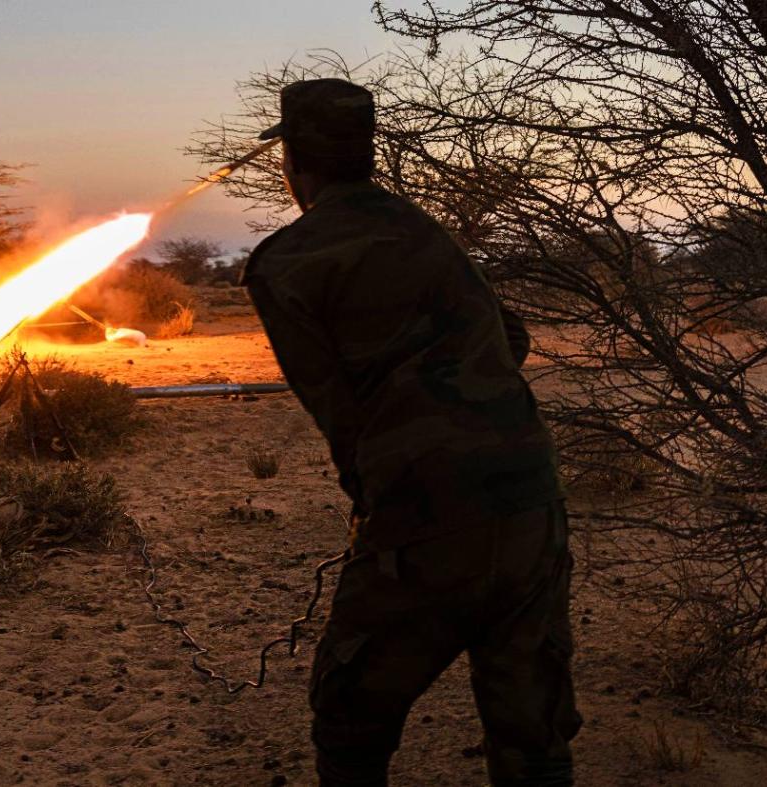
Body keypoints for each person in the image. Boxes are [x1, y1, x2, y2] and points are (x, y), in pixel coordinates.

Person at [240, 78, 581, 786]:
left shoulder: (287, 264)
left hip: (425, 514)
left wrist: (382, 487)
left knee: (349, 710)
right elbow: (509, 338)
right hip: (530, 500)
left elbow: (339, 411)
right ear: (368, 154)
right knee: (532, 733)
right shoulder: (426, 231)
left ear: (293, 162)